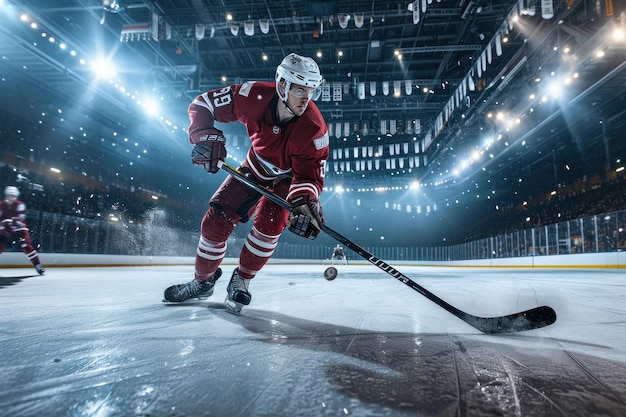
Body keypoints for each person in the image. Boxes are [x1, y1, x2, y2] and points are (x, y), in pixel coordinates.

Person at [164, 53, 329, 313]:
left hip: (287, 179)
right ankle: (202, 282)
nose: (306, 98)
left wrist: (305, 203)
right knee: (215, 221)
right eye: (300, 89)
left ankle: (242, 279)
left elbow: (308, 176)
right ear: (283, 85)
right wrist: (203, 135)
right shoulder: (252, 96)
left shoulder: (315, 129)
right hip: (254, 166)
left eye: (311, 90)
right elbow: (203, 104)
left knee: (270, 226)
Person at [0, 186, 45, 275]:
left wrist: (9, 221)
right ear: (6, 196)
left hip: (20, 230)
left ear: (16, 197)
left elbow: (18, 220)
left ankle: (37, 265)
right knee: (1, 245)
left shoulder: (20, 205)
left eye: (13, 196)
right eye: (9, 196)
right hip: (6, 230)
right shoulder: (1, 205)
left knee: (26, 245)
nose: (11, 198)